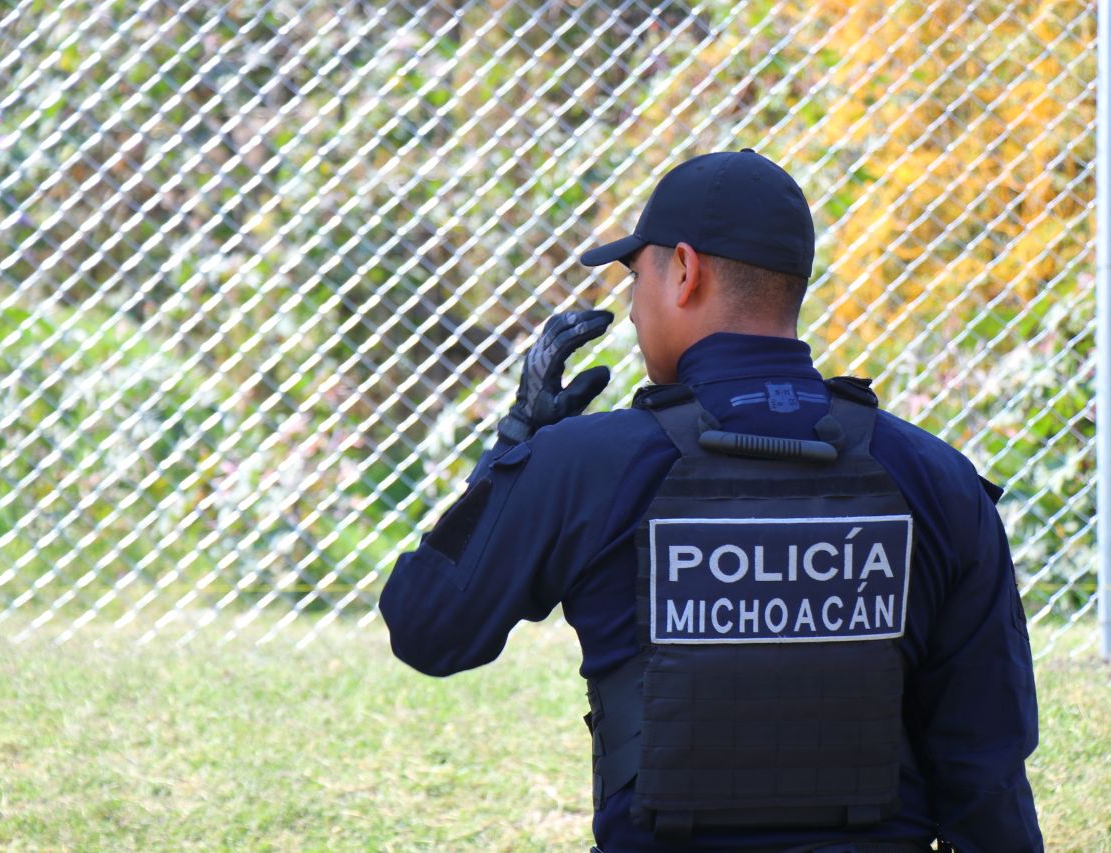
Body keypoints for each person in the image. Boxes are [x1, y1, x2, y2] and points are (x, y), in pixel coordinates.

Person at [379, 149, 1043, 853]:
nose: (632, 310)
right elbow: (987, 762)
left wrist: (515, 446)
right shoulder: (937, 478)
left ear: (685, 271)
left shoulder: (583, 464)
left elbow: (429, 627)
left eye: (636, 278)